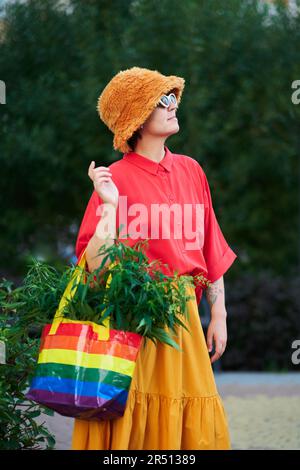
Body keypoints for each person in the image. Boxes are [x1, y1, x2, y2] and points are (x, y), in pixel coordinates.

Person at [71, 66, 238, 450]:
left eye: (172, 97)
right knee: (138, 422)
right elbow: (93, 267)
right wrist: (110, 209)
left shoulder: (192, 170)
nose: (172, 105)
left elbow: (209, 248)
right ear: (135, 118)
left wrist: (220, 315)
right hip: (134, 321)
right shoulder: (113, 178)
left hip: (186, 321)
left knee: (192, 426)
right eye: (161, 100)